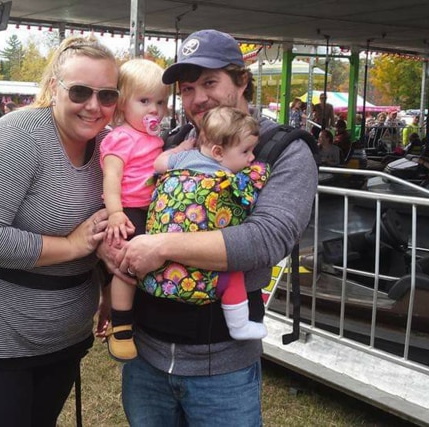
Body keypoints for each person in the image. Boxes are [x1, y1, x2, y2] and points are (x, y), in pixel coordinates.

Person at [108, 29, 318, 426]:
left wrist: (162, 247)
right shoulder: (171, 144)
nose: (197, 98)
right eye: (187, 89)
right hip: (147, 354)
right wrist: (109, 237)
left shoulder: (282, 149)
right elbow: (130, 202)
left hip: (221, 366)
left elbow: (266, 239)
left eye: (209, 82)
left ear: (242, 79)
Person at [0, 35, 117, 426]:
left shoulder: (109, 148)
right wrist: (70, 245)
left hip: (63, 326)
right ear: (53, 88)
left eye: (107, 95)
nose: (94, 106)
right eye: (80, 91)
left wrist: (107, 289)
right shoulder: (17, 137)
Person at [147, 106, 269, 338]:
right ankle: (240, 326)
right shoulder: (233, 179)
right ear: (218, 152)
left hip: (166, 263)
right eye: (246, 151)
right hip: (208, 261)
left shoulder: (184, 158)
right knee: (233, 275)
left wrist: (177, 150)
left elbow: (159, 164)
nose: (252, 157)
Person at [100, 58, 169, 361]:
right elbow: (111, 179)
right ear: (122, 104)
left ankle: (135, 316)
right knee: (126, 267)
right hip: (127, 210)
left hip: (150, 211)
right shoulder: (120, 138)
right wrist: (116, 213)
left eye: (161, 102)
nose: (154, 109)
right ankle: (121, 326)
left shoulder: (154, 139)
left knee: (144, 265)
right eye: (144, 101)